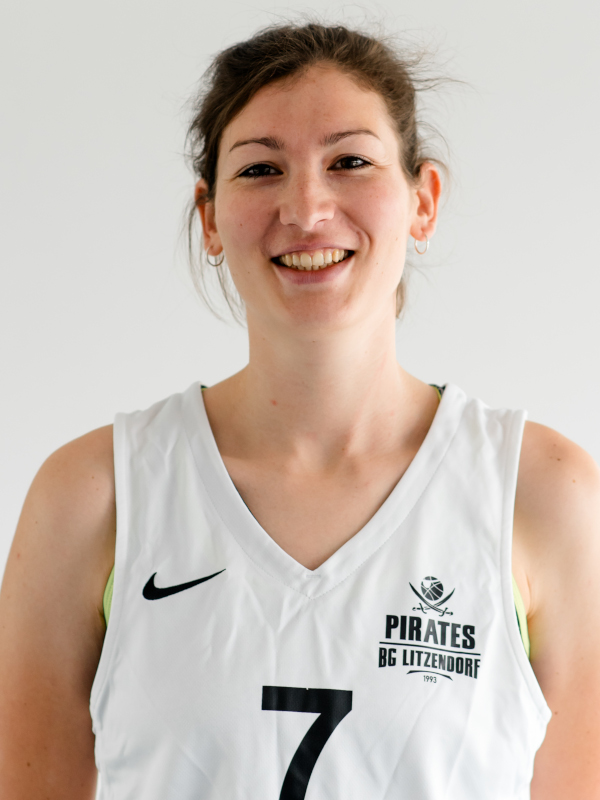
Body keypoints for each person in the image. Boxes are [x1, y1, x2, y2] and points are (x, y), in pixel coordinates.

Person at [1, 21, 599, 800]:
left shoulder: (543, 492)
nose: (307, 208)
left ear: (423, 201)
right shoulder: (93, 495)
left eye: (350, 161)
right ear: (210, 218)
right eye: (260, 169)